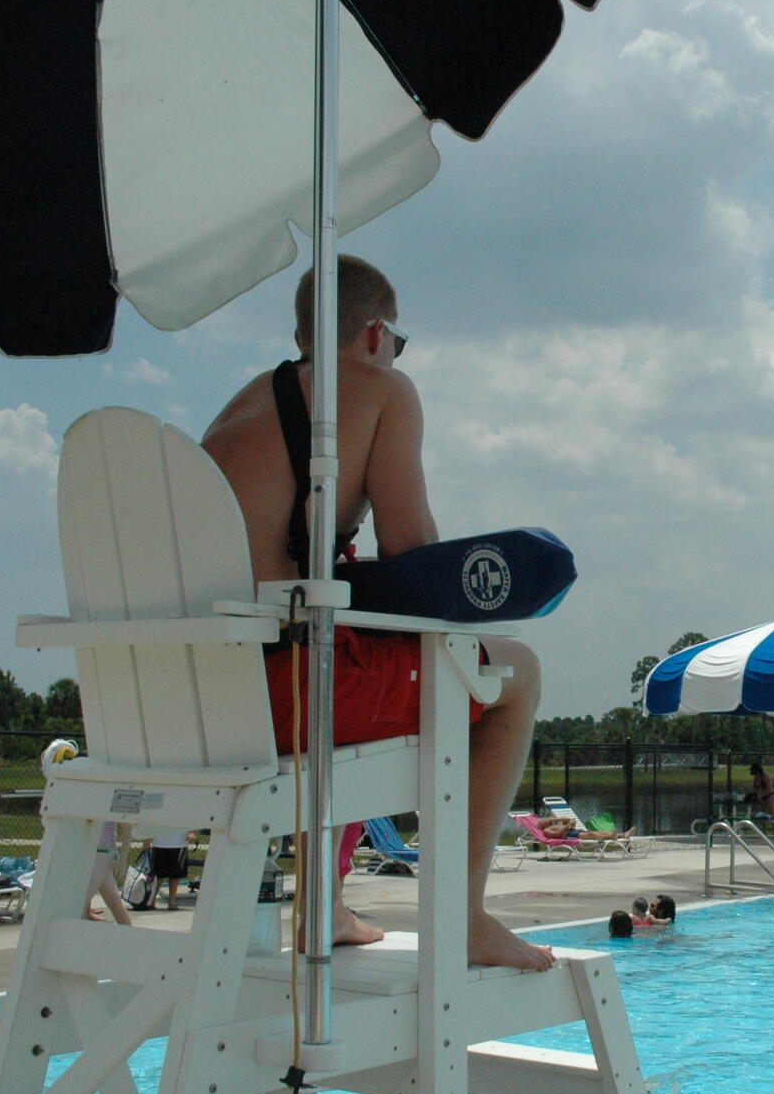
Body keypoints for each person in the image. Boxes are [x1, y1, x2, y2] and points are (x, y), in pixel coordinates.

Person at [202, 258, 549, 971]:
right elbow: (412, 555)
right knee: (514, 672)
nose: (396, 355)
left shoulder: (239, 408)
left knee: (366, 654)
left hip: (197, 696)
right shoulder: (380, 389)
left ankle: (324, 904)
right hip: (285, 694)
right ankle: (464, 915)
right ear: (374, 332)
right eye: (399, 341)